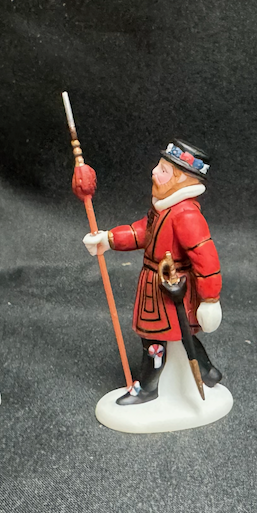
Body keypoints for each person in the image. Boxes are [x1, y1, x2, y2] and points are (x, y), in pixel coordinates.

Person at [84, 140, 222, 405]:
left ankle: (148, 387)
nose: (154, 172)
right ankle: (207, 371)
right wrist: (109, 239)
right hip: (157, 285)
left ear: (181, 179)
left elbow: (205, 258)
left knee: (155, 339)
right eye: (159, 167)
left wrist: (210, 300)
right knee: (180, 334)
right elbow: (142, 232)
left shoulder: (186, 215)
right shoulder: (162, 210)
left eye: (163, 170)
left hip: (172, 288)